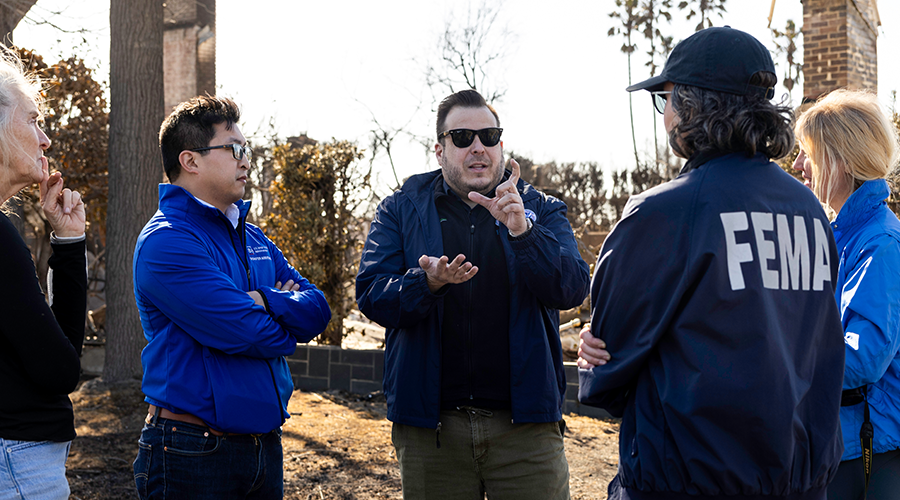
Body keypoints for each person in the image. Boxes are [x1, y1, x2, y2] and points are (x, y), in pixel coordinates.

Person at [577, 27, 846, 499]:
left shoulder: (663, 213)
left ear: (693, 106)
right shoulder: (809, 211)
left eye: (667, 101)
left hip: (690, 484)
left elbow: (607, 371)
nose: (665, 119)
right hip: (800, 484)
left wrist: (593, 359)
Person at [356, 89, 589, 499]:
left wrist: (524, 233)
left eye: (489, 136)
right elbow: (372, 294)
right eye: (462, 137)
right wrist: (425, 283)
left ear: (501, 145)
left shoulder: (540, 209)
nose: (478, 147)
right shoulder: (400, 209)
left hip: (526, 432)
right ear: (439, 149)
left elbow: (570, 287)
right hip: (433, 434)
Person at [132, 95, 331, 499]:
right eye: (235, 149)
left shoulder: (253, 237)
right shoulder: (167, 240)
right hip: (192, 450)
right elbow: (249, 333)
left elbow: (317, 310)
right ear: (191, 161)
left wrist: (264, 299)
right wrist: (283, 323)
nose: (246, 159)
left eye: (248, 149)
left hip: (264, 446)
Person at [792, 89, 900, 499]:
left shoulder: (880, 244)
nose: (799, 165)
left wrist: (781, 358)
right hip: (842, 438)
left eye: (808, 153)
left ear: (842, 160)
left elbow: (862, 357)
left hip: (870, 450)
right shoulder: (845, 234)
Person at [0, 48, 87, 499]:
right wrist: (71, 251)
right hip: (16, 462)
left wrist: (68, 240)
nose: (46, 139)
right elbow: (60, 369)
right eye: (33, 120)